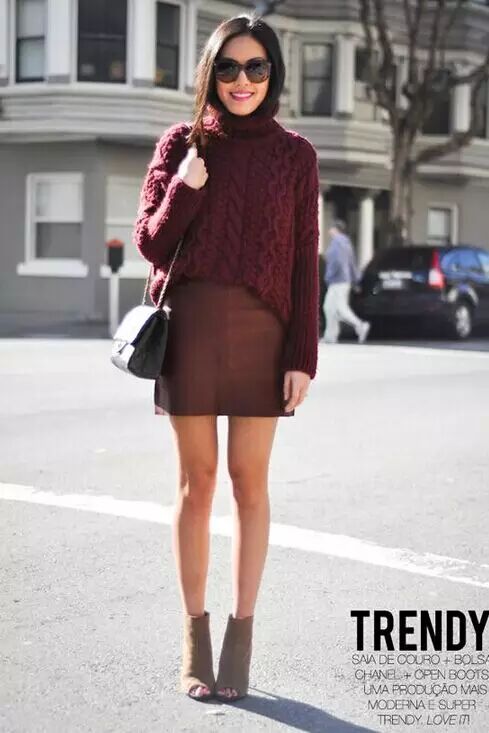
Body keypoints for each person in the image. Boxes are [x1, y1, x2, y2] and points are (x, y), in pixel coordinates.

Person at [132, 13, 319, 703]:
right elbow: (151, 243)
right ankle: (195, 638)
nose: (243, 81)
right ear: (211, 74)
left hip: (264, 335)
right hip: (189, 331)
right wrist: (186, 185)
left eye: (256, 67)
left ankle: (241, 636)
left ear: (272, 75)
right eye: (230, 68)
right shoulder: (181, 142)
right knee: (197, 482)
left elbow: (303, 261)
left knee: (250, 483)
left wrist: (303, 355)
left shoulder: (295, 156)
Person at [323, 219, 370, 343]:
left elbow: (337, 262)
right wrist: (355, 280)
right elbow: (352, 263)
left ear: (335, 229)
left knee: (339, 308)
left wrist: (329, 276)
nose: (329, 231)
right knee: (329, 308)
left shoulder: (337, 243)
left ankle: (360, 325)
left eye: (331, 228)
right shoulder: (346, 243)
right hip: (343, 280)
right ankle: (330, 336)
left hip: (337, 280)